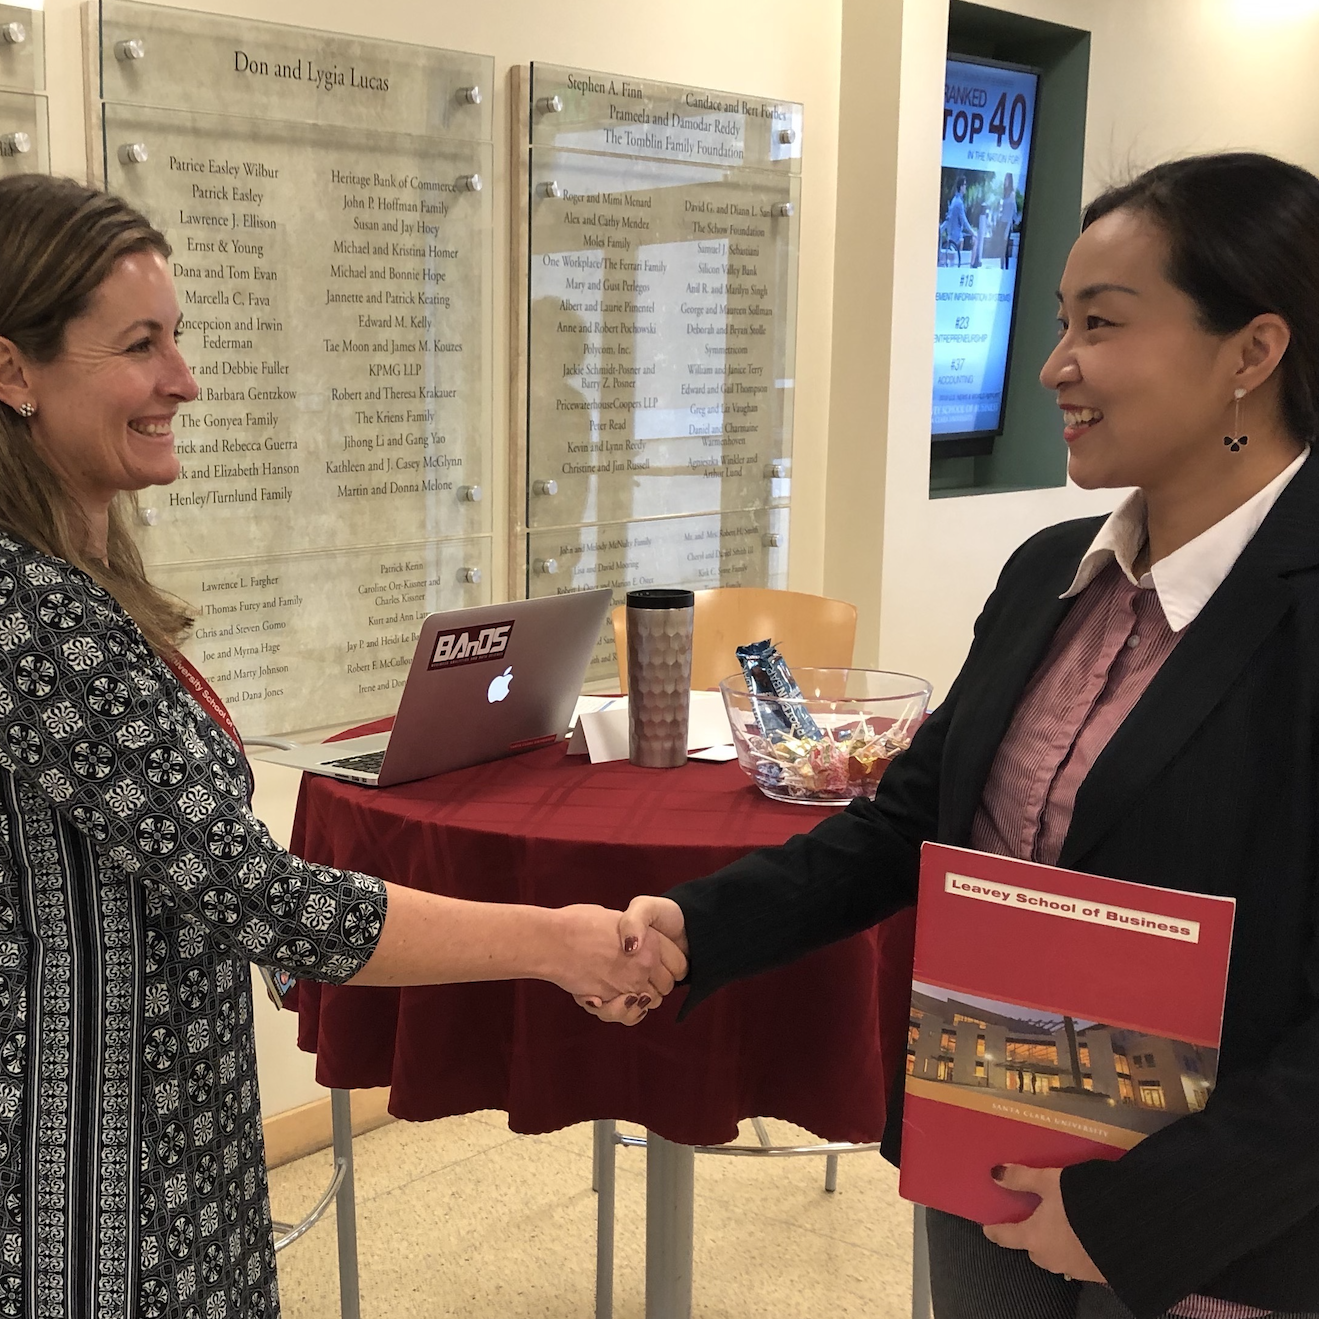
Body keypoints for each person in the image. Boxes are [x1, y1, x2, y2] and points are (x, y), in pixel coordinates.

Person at [586, 152, 1319, 1319]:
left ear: (1251, 352)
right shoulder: (1047, 579)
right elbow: (907, 824)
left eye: (1100, 324)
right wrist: (691, 924)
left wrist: (1133, 1215)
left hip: (1218, 1235)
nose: (1054, 366)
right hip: (983, 1153)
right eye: (1057, 321)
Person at [0, 175, 685, 1318]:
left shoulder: (77, 582)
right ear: (13, 370)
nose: (184, 379)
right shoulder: (35, 618)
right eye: (139, 346)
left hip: (154, 1131)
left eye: (179, 338)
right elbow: (263, 898)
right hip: (87, 1183)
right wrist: (557, 941)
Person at [944, 174, 980, 266]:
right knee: (975, 239)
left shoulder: (954, 200)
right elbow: (964, 221)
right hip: (956, 237)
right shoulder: (959, 203)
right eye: (964, 185)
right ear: (961, 187)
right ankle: (972, 265)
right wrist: (973, 232)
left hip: (953, 234)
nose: (965, 187)